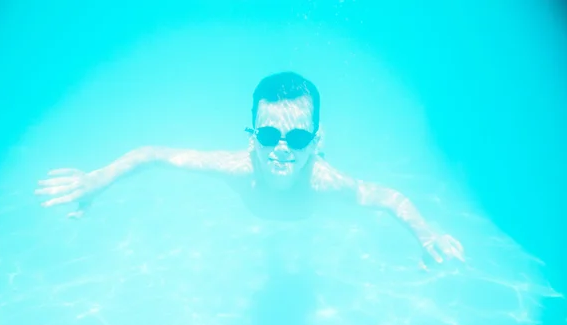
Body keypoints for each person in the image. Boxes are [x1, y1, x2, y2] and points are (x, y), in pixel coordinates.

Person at [35, 71, 464, 264]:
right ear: (250, 138)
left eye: (296, 139)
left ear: (316, 143)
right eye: (267, 136)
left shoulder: (326, 185)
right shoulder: (237, 168)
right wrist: (96, 182)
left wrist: (427, 236)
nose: (280, 149)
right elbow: (152, 154)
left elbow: (390, 199)